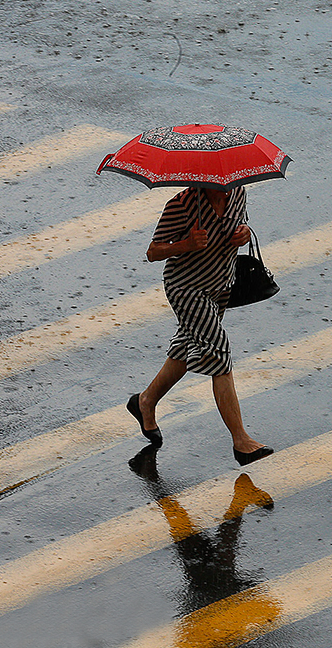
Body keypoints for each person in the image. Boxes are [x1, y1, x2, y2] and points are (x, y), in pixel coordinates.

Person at [126, 184, 273, 466]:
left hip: (221, 286)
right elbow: (153, 252)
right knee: (218, 352)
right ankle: (241, 440)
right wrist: (186, 245)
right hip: (187, 289)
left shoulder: (238, 193)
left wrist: (244, 234)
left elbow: (241, 224)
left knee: (185, 348)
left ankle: (145, 402)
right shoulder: (181, 205)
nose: (224, 184)